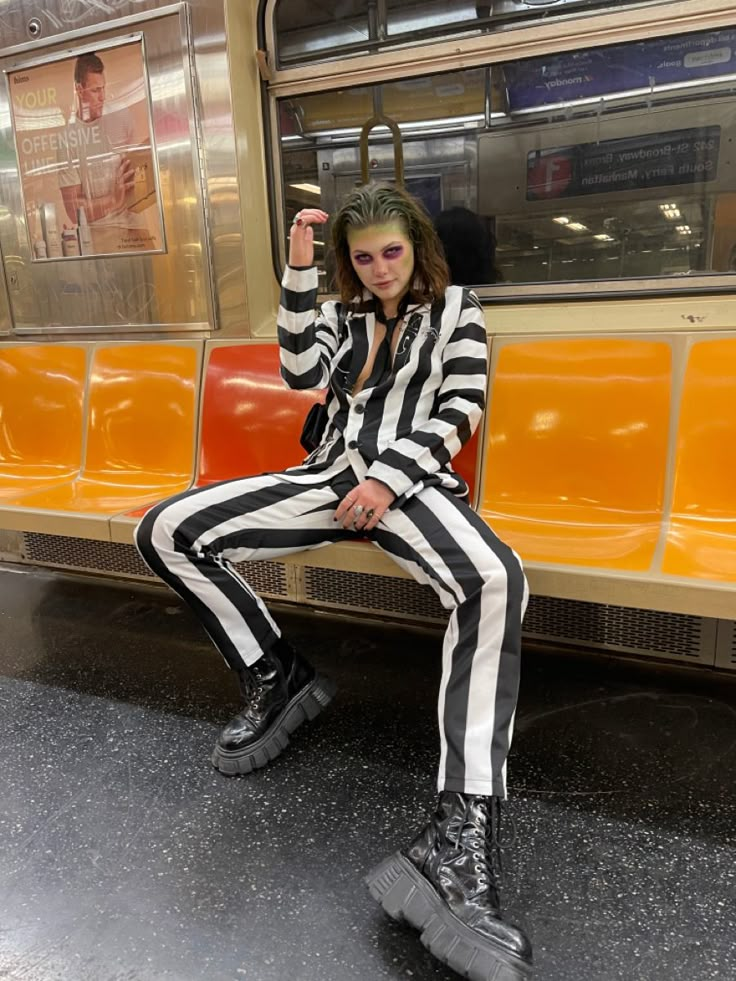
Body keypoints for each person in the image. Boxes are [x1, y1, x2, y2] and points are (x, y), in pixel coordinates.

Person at [135, 183, 532, 981]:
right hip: (326, 478)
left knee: (495, 578)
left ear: (416, 247)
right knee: (168, 529)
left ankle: (456, 835)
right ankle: (278, 675)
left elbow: (460, 409)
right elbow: (293, 370)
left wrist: (386, 482)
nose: (381, 269)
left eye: (392, 252)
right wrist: (297, 269)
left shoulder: (458, 310)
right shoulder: (345, 315)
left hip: (406, 485)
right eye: (364, 257)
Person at [57, 52, 152, 252]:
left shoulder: (121, 115)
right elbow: (74, 212)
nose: (102, 97)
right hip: (101, 233)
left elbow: (137, 173)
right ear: (79, 90)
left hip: (136, 225)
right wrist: (112, 199)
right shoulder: (67, 139)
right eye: (95, 90)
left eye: (103, 88)